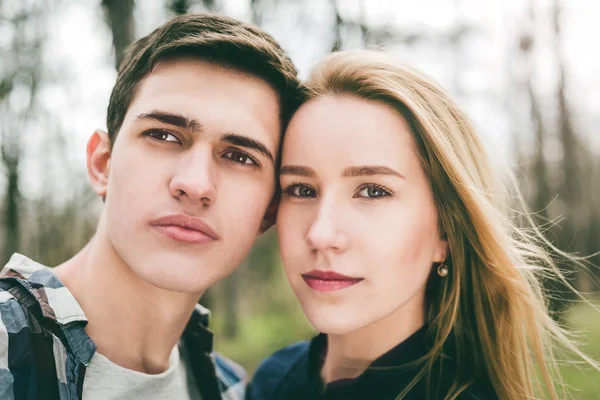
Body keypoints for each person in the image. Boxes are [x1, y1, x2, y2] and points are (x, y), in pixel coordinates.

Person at [247, 50, 599, 400]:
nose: (321, 234)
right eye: (301, 189)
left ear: (445, 231)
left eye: (372, 191)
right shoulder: (270, 380)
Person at [0, 13, 299, 400]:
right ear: (102, 164)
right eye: (164, 135)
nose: (194, 184)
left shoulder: (233, 390)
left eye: (240, 157)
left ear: (269, 211)